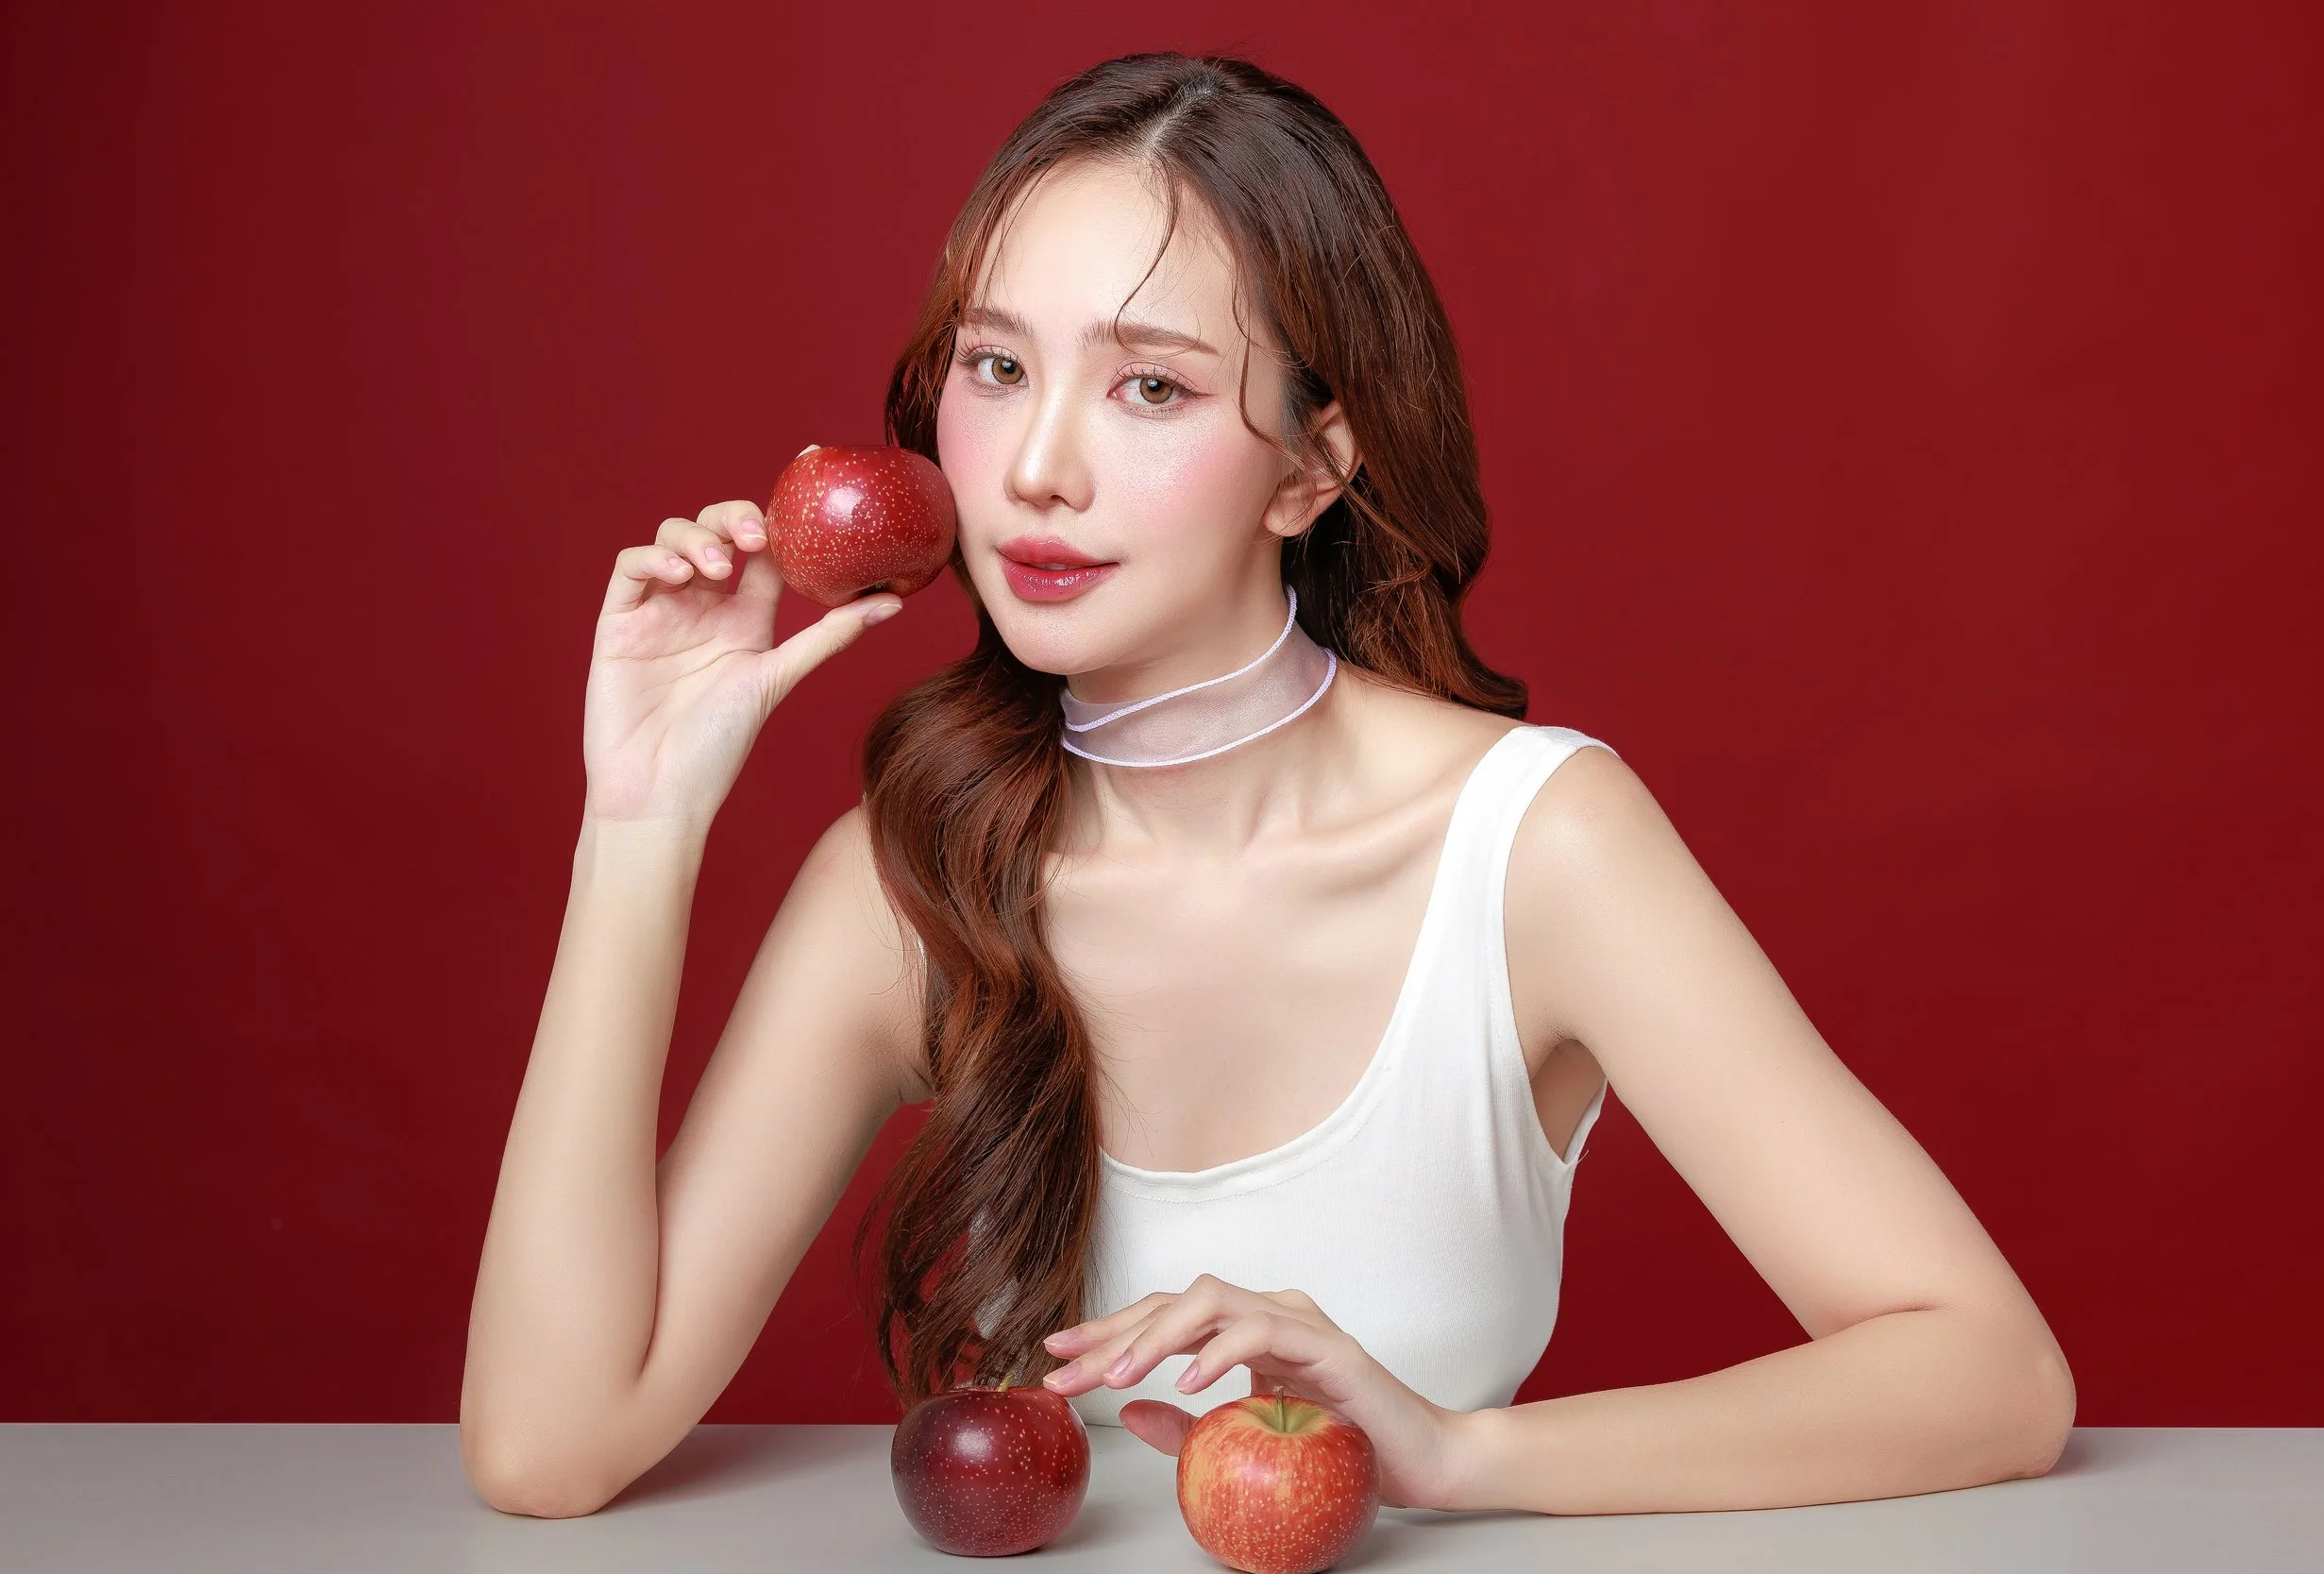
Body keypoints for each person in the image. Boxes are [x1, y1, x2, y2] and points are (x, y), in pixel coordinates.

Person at [459, 52, 2075, 1521]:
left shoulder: (1533, 848)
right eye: (998, 366)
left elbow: (1988, 1373)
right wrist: (641, 814)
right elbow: (549, 1442)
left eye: (1149, 386)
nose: (1037, 467)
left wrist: (1450, 1451)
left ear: (1312, 467)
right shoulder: (913, 880)